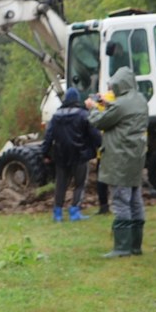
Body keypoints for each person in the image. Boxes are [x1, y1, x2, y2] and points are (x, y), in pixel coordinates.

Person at [87, 67, 149, 257]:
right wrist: (106, 103)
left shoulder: (121, 105)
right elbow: (119, 115)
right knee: (135, 200)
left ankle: (122, 247)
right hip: (135, 158)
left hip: (120, 158)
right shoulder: (140, 100)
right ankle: (135, 246)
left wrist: (92, 108)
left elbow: (100, 121)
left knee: (121, 201)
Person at [41, 86, 102, 222]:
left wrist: (44, 153)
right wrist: (101, 145)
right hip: (80, 155)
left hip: (61, 155)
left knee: (61, 184)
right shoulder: (83, 114)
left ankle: (57, 212)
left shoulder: (56, 116)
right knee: (79, 184)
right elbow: (94, 135)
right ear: (77, 99)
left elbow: (48, 137)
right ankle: (75, 211)